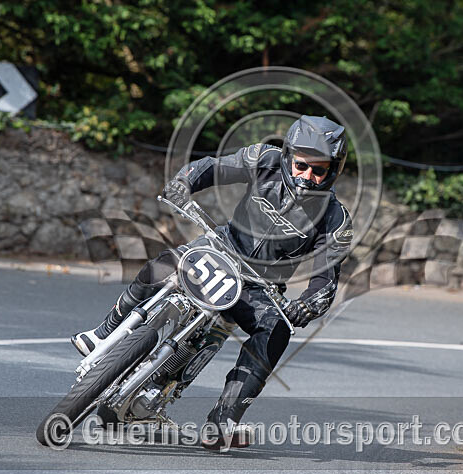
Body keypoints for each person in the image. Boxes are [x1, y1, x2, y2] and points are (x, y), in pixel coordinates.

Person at [72, 115, 353, 450]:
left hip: (259, 286)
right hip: (220, 249)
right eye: (301, 166)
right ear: (287, 156)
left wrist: (308, 304)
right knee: (164, 264)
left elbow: (326, 278)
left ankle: (224, 418)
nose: (307, 176)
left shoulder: (336, 220)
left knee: (276, 329)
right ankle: (104, 332)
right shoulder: (262, 159)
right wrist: (184, 182)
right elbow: (211, 167)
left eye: (318, 170)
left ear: (333, 171)